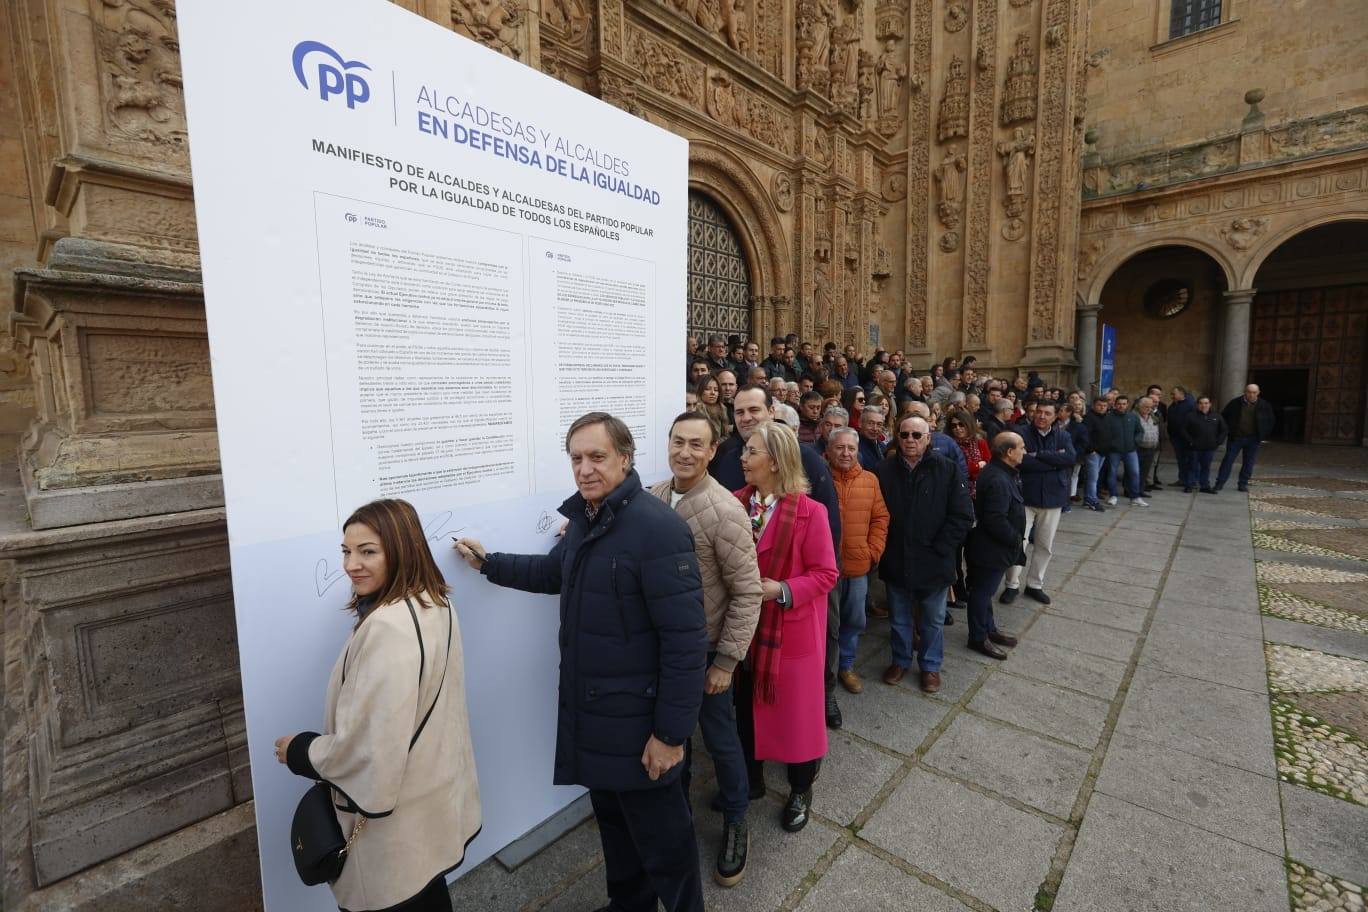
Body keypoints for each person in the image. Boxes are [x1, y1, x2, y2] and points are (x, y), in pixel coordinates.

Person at [454, 413, 707, 912]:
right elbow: (555, 572)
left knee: (667, 849)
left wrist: (671, 735)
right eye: (576, 458)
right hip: (597, 721)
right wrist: (489, 565)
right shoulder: (591, 520)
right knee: (616, 832)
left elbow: (686, 642)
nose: (585, 468)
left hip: (641, 730)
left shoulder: (658, 531)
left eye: (597, 456)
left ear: (625, 458)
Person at [278, 499, 480, 912]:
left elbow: (370, 749)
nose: (352, 564)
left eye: (368, 551)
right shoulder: (435, 602)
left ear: (401, 549)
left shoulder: (388, 627)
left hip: (392, 834)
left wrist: (299, 750)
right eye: (346, 551)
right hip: (430, 805)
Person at [649, 413, 762, 888]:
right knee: (672, 735)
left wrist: (727, 661)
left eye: (697, 444)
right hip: (661, 652)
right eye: (678, 442)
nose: (685, 452)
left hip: (708, 652)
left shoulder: (725, 510)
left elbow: (748, 592)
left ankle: (736, 819)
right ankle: (677, 820)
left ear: (713, 451)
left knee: (720, 739)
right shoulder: (653, 497)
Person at [708, 385, 844, 728]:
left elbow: (827, 548)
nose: (746, 417)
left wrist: (786, 588)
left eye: (753, 409)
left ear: (771, 410)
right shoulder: (727, 458)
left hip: (790, 612)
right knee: (747, 709)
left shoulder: (807, 463)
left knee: (798, 703)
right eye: (739, 412)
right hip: (741, 617)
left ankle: (825, 697)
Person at [732, 421, 839, 833]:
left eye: (751, 451)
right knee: (746, 710)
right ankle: (752, 781)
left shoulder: (812, 513)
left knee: (798, 720)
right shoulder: (734, 504)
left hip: (788, 632)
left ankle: (800, 788)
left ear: (774, 462)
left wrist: (781, 589)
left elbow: (826, 574)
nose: (742, 458)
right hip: (744, 631)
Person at [875, 415, 975, 694]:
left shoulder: (948, 469)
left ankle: (930, 666)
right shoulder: (883, 469)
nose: (910, 440)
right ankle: (900, 660)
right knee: (899, 618)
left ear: (928, 438)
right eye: (904, 435)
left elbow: (962, 516)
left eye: (916, 435)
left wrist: (941, 548)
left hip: (934, 560)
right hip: (897, 558)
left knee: (932, 619)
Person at [825, 427, 890, 695]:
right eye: (840, 447)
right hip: (824, 570)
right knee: (828, 625)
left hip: (857, 567)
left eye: (851, 448)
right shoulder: (817, 477)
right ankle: (824, 669)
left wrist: (872, 551)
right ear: (829, 450)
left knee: (854, 620)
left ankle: (846, 666)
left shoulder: (870, 480)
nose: (846, 453)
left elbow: (880, 518)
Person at [999, 401, 1074, 606]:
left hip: (1053, 498)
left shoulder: (1063, 436)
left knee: (1044, 545)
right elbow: (1022, 461)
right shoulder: (1021, 433)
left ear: (1055, 416)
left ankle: (1035, 585)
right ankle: (1011, 585)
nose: (1041, 416)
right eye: (1039, 412)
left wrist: (1039, 456)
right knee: (1018, 543)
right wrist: (1053, 461)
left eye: (1047, 413)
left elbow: (1069, 459)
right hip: (1025, 497)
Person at [965, 433, 1026, 660]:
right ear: (1009, 452)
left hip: (995, 548)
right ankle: (978, 637)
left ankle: (988, 629)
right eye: (1021, 447)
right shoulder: (998, 479)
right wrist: (1015, 539)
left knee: (986, 591)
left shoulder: (1002, 473)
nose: (1024, 451)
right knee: (982, 593)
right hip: (990, 549)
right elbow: (994, 519)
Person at [1216, 383, 1275, 492]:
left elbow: (1270, 420)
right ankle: (1220, 483)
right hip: (1236, 438)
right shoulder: (1235, 403)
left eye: (1254, 392)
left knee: (1249, 463)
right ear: (1245, 392)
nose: (1251, 395)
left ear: (1258, 393)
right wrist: (1228, 431)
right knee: (1228, 460)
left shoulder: (1264, 405)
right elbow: (1223, 417)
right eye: (1249, 392)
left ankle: (1242, 484)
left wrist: (1263, 434)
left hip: (1253, 439)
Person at [1102, 394, 1148, 507]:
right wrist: (1110, 444)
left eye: (1123, 404)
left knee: (1135, 473)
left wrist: (1135, 442)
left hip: (1130, 450)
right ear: (1115, 404)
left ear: (1127, 405)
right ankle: (1113, 496)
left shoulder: (1133, 417)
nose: (1121, 406)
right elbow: (1105, 433)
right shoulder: (1108, 417)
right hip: (1114, 451)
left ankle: (1135, 497)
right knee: (1112, 473)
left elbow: (1140, 431)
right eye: (1119, 404)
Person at [1183, 397, 1227, 494]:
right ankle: (1189, 485)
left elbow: (1223, 430)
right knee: (1192, 466)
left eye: (1206, 403)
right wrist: (1190, 441)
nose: (1204, 405)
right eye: (1201, 403)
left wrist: (1218, 442)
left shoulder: (1217, 416)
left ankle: (1205, 486)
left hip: (1209, 447)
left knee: (1206, 467)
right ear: (1197, 405)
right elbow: (1183, 430)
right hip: (1194, 447)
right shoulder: (1190, 416)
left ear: (1210, 404)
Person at [1080, 396, 1109, 512]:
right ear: (1094, 406)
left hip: (1103, 451)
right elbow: (1086, 436)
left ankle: (1088, 498)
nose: (1102, 408)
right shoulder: (1089, 418)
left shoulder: (1106, 417)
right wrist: (1091, 449)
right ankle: (1093, 500)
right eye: (1099, 405)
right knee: (1093, 478)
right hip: (1093, 453)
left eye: (1104, 406)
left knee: (1093, 477)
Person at [1167, 386, 1197, 489]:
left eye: (1173, 394)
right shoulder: (1173, 406)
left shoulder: (1190, 405)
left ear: (1181, 394)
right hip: (1175, 438)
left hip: (1187, 438)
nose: (1171, 396)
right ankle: (1182, 479)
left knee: (1191, 460)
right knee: (1181, 460)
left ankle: (1191, 481)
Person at [1135, 396, 1161, 497]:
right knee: (1134, 471)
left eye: (1151, 407)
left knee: (1144, 471)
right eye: (1146, 407)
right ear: (1140, 406)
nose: (1149, 409)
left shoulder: (1153, 416)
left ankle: (1140, 490)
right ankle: (1129, 490)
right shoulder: (1134, 416)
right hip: (1138, 448)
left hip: (1151, 448)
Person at [695, 374, 729, 443]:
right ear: (700, 391)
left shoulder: (722, 409)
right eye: (707, 389)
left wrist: (718, 443)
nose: (713, 393)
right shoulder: (695, 409)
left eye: (716, 390)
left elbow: (726, 436)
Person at [856, 404, 886, 470]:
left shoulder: (883, 447)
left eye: (879, 424)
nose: (875, 428)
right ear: (860, 423)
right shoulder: (854, 447)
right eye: (870, 423)